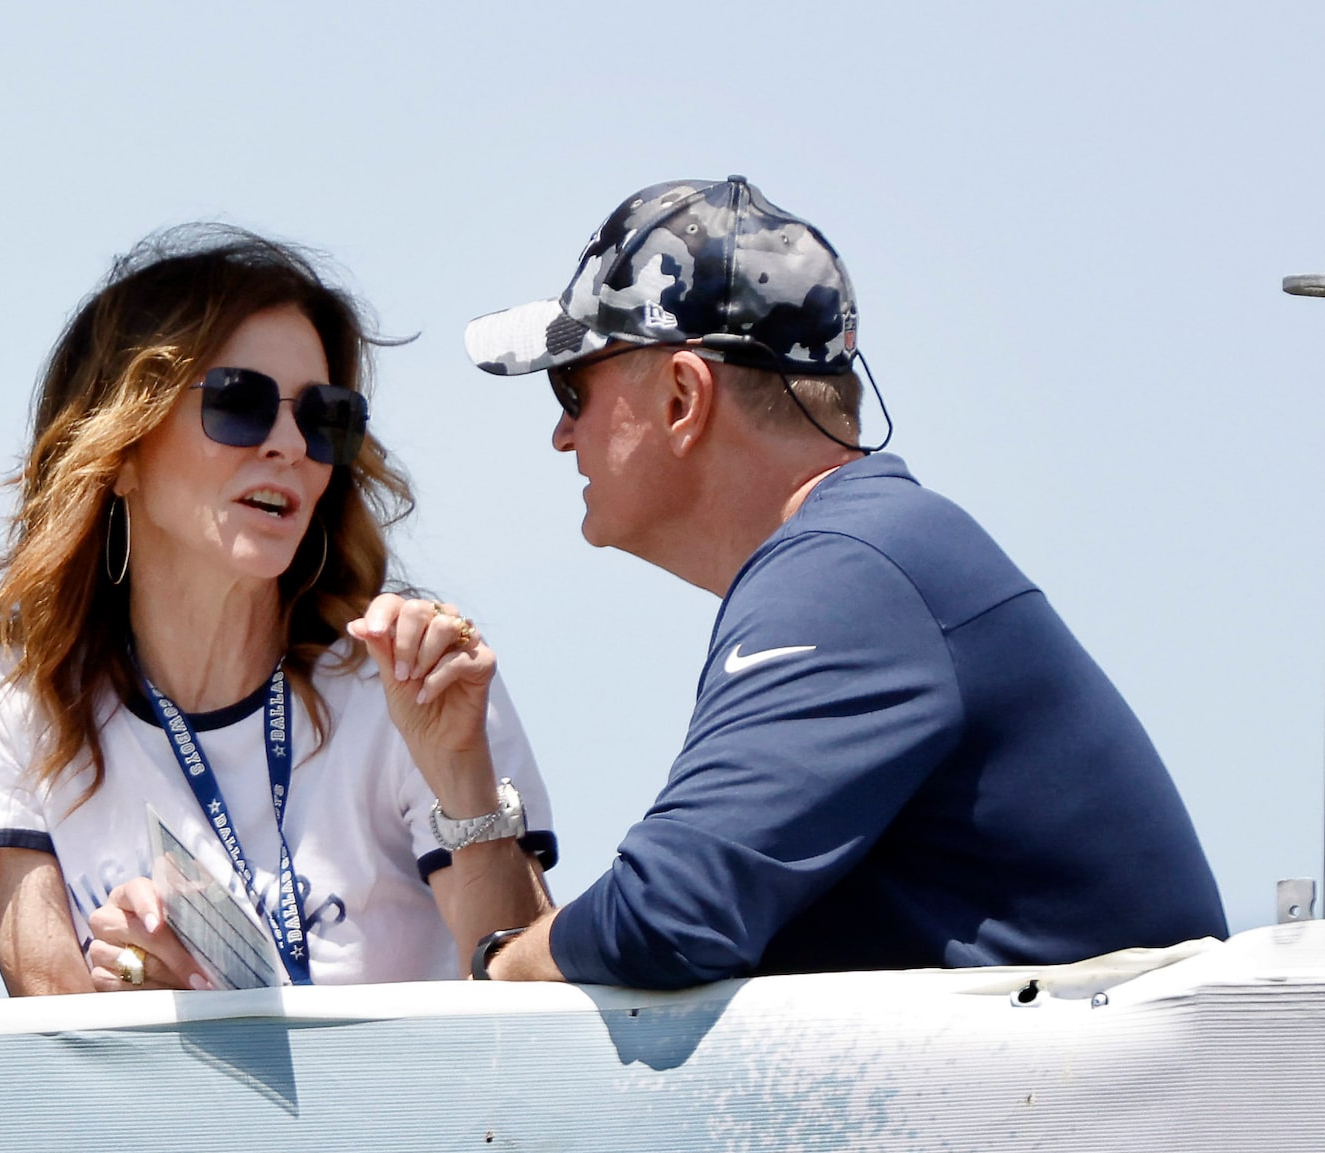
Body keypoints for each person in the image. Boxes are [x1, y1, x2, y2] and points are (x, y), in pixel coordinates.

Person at [443, 176, 1223, 987]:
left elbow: (666, 914)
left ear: (683, 398)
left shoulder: (847, 569)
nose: (562, 434)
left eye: (574, 387)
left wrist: (501, 964)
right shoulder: (869, 550)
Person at [0, 227, 555, 995]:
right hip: (155, 1120)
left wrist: (462, 771)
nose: (290, 443)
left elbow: (529, 1006)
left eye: (324, 417)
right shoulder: (10, 683)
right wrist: (146, 1005)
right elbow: (52, 1015)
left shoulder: (408, 675)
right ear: (120, 451)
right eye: (239, 403)